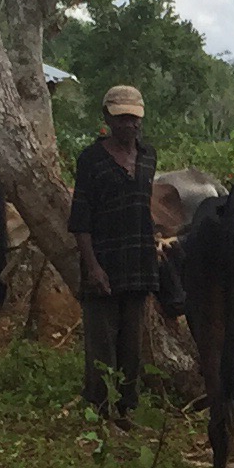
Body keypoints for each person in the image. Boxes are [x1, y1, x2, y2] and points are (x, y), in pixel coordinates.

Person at [70, 84, 161, 423]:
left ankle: (126, 408)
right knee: (101, 343)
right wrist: (92, 267)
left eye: (134, 118)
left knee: (132, 344)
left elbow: (142, 207)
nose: (129, 124)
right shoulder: (91, 159)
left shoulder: (148, 156)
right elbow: (80, 219)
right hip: (104, 263)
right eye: (121, 118)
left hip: (138, 262)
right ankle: (98, 408)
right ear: (107, 118)